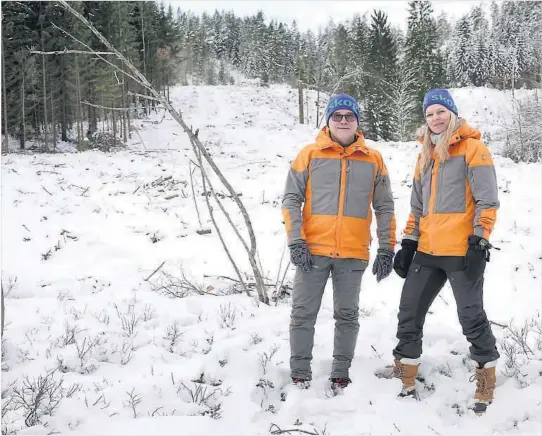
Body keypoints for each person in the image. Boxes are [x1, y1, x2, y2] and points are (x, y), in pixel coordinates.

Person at [378, 89, 500, 414]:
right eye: (430, 113)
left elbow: (487, 201)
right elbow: (417, 205)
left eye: (440, 112)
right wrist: (408, 242)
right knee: (409, 312)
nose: (435, 118)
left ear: (452, 113)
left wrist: (480, 241)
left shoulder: (474, 149)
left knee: (471, 317)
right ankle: (405, 374)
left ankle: (486, 377)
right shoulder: (425, 154)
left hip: (462, 251)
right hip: (428, 250)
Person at [282, 93, 396, 390]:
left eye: (349, 116)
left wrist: (386, 248)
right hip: (313, 251)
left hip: (352, 252)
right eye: (337, 116)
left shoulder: (373, 159)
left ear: (357, 122)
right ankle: (300, 372)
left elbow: (384, 207)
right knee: (303, 313)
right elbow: (291, 199)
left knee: (347, 314)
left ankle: (340, 371)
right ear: (328, 121)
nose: (343, 121)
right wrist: (296, 241)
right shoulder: (309, 154)